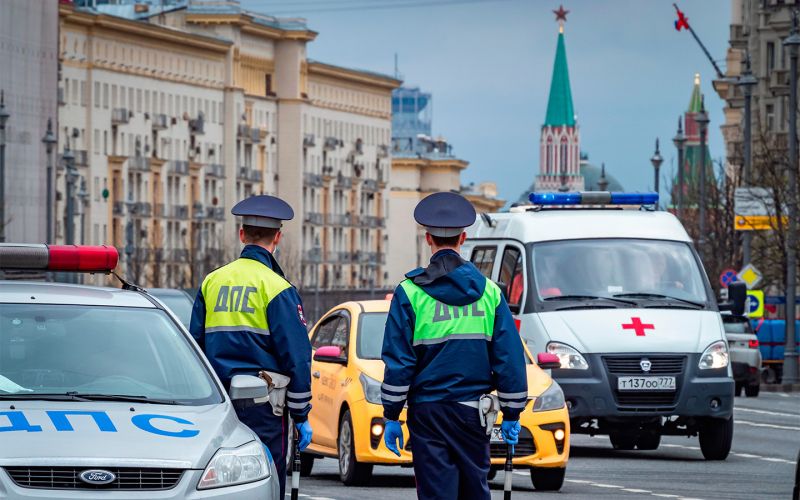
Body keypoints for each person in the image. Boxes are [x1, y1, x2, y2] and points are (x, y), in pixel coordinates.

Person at [381, 192, 528, 500]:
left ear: (427, 239)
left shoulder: (409, 293)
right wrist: (513, 413)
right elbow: (509, 358)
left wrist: (392, 415)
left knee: (436, 492)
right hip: (473, 413)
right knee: (475, 489)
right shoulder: (490, 293)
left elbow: (399, 362)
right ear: (463, 238)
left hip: (428, 413)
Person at [189, 195, 313, 499]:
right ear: (278, 238)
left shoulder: (211, 282)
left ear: (241, 234)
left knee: (218, 483)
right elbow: (296, 357)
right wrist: (301, 413)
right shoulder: (278, 288)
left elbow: (193, 348)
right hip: (265, 407)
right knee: (265, 481)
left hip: (218, 403)